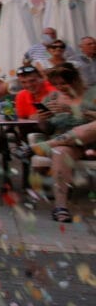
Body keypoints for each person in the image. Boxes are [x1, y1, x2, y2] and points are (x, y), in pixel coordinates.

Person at [33, 63, 96, 223]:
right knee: (60, 152)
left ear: (75, 79)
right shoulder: (52, 98)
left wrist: (74, 111)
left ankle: (37, 148)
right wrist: (42, 119)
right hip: (65, 144)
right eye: (56, 84)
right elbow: (46, 129)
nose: (60, 87)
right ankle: (60, 207)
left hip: (92, 142)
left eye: (64, 83)